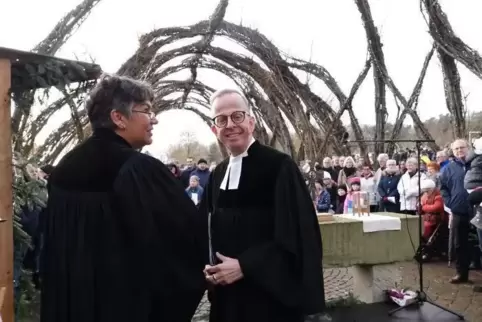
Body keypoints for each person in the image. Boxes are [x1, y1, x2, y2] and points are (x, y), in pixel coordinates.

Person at [40, 75, 206, 322]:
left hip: (71, 305)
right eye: (147, 110)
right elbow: (182, 240)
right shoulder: (137, 168)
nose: (154, 119)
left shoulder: (64, 167)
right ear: (118, 117)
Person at [200, 88, 327, 322]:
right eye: (221, 119)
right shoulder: (217, 174)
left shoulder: (279, 166)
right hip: (227, 301)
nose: (230, 124)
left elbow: (298, 236)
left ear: (251, 122)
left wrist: (245, 266)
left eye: (237, 116)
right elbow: (206, 229)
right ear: (214, 129)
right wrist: (207, 269)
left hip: (268, 300)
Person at [441, 139, 471, 283]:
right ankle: (461, 273)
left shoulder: (477, 164)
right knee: (460, 243)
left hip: (479, 209)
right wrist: (450, 203)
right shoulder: (448, 168)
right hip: (459, 209)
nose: (460, 151)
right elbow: (443, 189)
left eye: (462, 147)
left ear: (468, 148)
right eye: (456, 149)